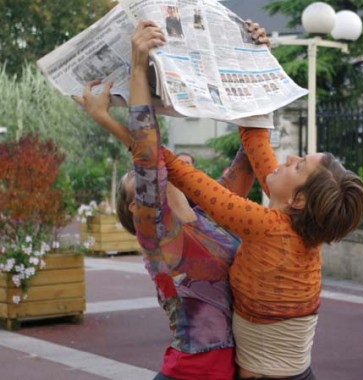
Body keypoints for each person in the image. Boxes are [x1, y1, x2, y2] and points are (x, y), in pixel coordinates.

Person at [155, 20, 363, 379]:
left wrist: (136, 118)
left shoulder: (267, 225)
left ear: (299, 199)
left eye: (298, 165)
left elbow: (191, 181)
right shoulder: (302, 220)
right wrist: (257, 57)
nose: (287, 159)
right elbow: (257, 141)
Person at [73, 19, 263, 380]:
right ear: (135, 207)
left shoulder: (205, 214)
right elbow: (147, 156)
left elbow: (248, 160)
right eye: (137, 180)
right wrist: (137, 65)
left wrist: (254, 57)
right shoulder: (156, 234)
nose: (144, 176)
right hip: (192, 371)